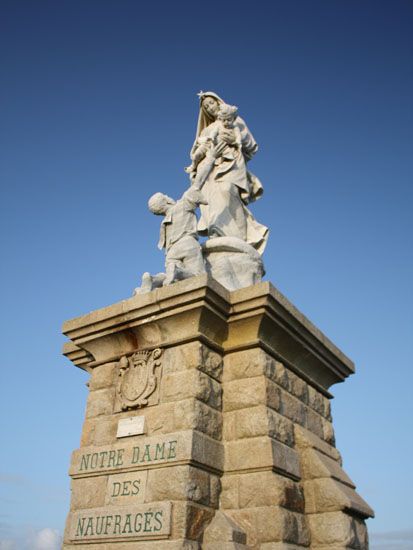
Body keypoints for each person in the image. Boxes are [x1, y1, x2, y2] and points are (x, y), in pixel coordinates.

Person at [188, 91, 268, 255]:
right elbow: (198, 151)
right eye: (206, 106)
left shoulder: (235, 121)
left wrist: (234, 140)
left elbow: (252, 146)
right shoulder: (206, 130)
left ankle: (241, 239)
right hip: (209, 169)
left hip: (231, 166)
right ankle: (217, 235)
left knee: (228, 193)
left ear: (218, 102)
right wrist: (199, 158)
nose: (210, 107)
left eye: (211, 103)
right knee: (209, 202)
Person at [147, 187, 207, 286]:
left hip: (171, 253)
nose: (168, 196)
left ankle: (153, 280)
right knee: (199, 276)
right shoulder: (183, 205)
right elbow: (198, 191)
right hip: (188, 244)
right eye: (165, 196)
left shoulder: (164, 224)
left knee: (173, 279)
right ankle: (178, 272)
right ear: (167, 201)